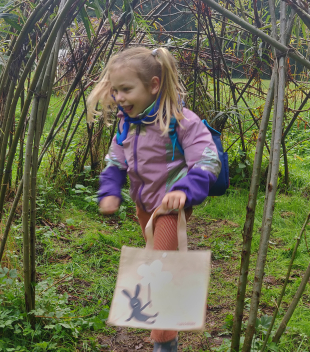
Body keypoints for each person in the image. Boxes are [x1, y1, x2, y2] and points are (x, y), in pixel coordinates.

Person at [87, 47, 221, 352]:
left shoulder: (180, 121)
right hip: (144, 206)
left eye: (126, 89)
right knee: (157, 263)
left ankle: (164, 341)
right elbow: (115, 162)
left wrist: (183, 191)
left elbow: (208, 160)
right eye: (115, 90)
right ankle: (165, 320)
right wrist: (109, 192)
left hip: (170, 208)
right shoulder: (127, 125)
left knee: (160, 270)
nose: (119, 98)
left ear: (154, 85)